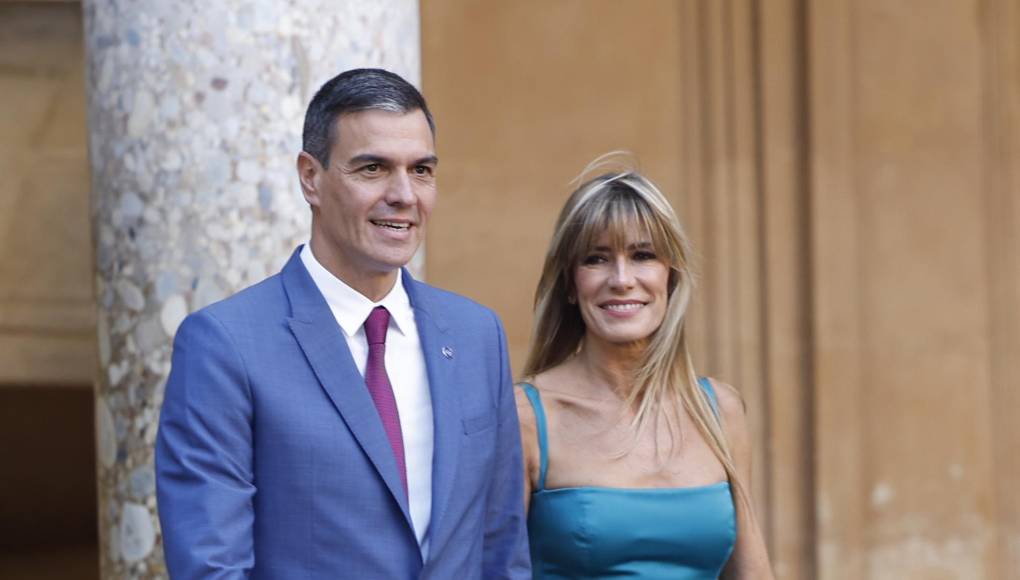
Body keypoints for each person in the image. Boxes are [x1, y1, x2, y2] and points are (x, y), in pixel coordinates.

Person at [156, 68, 530, 579]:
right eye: (373, 168)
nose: (404, 195)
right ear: (311, 177)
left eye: (421, 170)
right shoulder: (225, 345)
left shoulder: (475, 334)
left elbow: (501, 546)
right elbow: (211, 566)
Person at [516, 159, 775, 579]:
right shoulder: (525, 417)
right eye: (596, 259)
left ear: (670, 276)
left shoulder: (720, 411)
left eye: (642, 255)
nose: (621, 279)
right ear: (569, 283)